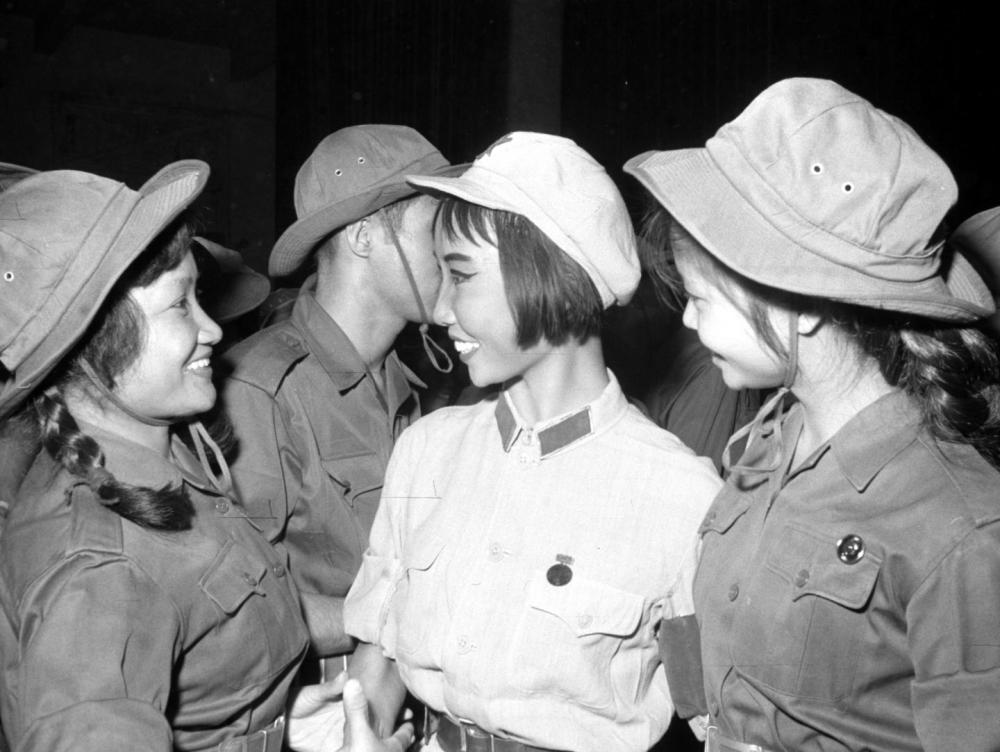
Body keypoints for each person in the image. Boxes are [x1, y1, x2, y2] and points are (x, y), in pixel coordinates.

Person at [625, 77, 1000, 751]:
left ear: (799, 303)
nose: (685, 319)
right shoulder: (768, 443)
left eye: (702, 298)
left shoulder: (961, 527)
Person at [0, 162, 413, 752]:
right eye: (180, 305)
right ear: (95, 339)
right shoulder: (97, 565)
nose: (214, 329)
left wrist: (267, 727)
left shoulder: (160, 461)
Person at [345, 131, 723, 752]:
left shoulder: (684, 497)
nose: (439, 310)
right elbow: (378, 655)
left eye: (461, 275)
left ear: (550, 275)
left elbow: (719, 723)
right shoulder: (425, 451)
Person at [220, 125, 457, 678]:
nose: (452, 252)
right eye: (436, 230)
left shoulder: (405, 385)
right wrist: (401, 619)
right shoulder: (260, 391)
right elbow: (237, 613)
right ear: (364, 236)